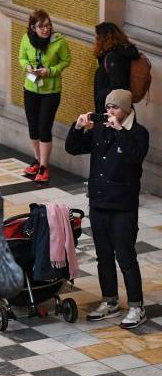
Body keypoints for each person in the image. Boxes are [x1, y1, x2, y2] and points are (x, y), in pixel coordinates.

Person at [66, 89, 150, 329]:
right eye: (107, 107)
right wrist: (79, 127)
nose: (109, 112)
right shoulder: (101, 128)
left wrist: (120, 131)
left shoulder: (137, 133)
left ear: (126, 109)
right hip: (99, 202)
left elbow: (135, 157)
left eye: (115, 108)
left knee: (125, 257)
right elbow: (73, 148)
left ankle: (137, 306)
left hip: (123, 206)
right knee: (103, 256)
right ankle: (110, 301)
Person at [19, 10, 71, 184]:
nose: (46, 29)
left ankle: (44, 167)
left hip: (51, 91)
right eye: (41, 26)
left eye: (48, 25)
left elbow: (66, 60)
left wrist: (50, 71)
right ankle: (36, 160)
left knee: (44, 128)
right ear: (33, 28)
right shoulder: (26, 39)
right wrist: (28, 67)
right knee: (33, 128)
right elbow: (21, 57)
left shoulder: (59, 41)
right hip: (31, 88)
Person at [93, 22, 140, 116]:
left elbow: (118, 85)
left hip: (112, 108)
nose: (95, 39)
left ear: (104, 38)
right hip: (119, 105)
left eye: (97, 37)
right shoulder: (121, 52)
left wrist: (99, 96)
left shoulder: (113, 57)